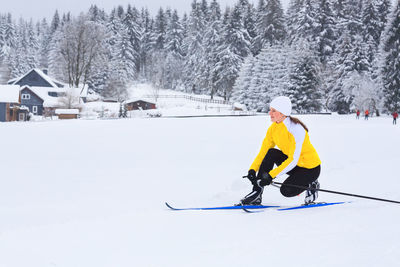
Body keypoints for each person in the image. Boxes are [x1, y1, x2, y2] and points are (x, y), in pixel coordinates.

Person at [240, 96, 321, 205]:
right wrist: (253, 170)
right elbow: (263, 152)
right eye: (270, 110)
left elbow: (293, 160)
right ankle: (257, 192)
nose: (270, 113)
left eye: (273, 110)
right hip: (295, 166)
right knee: (271, 153)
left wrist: (270, 176)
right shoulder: (273, 128)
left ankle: (312, 185)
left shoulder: (296, 129)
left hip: (310, 168)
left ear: (283, 113)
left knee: (286, 191)